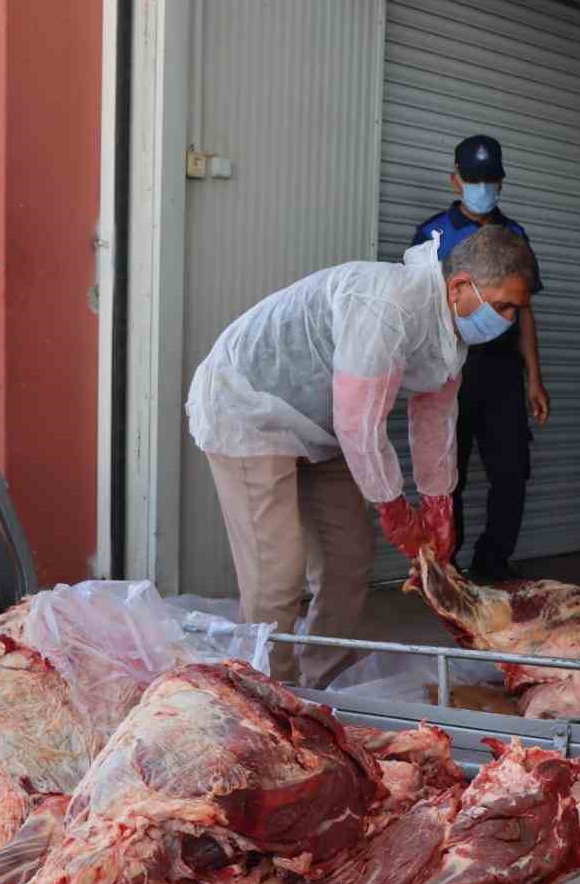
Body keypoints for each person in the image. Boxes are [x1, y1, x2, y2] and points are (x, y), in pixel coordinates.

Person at [186, 225, 540, 688]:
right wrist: (395, 509)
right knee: (277, 577)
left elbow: (434, 420)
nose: (510, 321)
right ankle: (267, 694)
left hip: (323, 426)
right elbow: (360, 424)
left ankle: (324, 681)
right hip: (250, 408)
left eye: (517, 310)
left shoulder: (451, 333)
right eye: (504, 306)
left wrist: (438, 505)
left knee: (347, 558)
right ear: (459, 286)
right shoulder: (388, 304)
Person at [411, 135, 548, 583]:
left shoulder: (516, 235)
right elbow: (416, 304)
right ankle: (447, 567)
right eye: (473, 179)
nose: (482, 188)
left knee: (511, 470)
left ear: (502, 183)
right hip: (449, 366)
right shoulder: (432, 233)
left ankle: (492, 563)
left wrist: (534, 379)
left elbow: (523, 309)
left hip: (502, 370)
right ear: (455, 179)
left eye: (490, 180)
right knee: (448, 473)